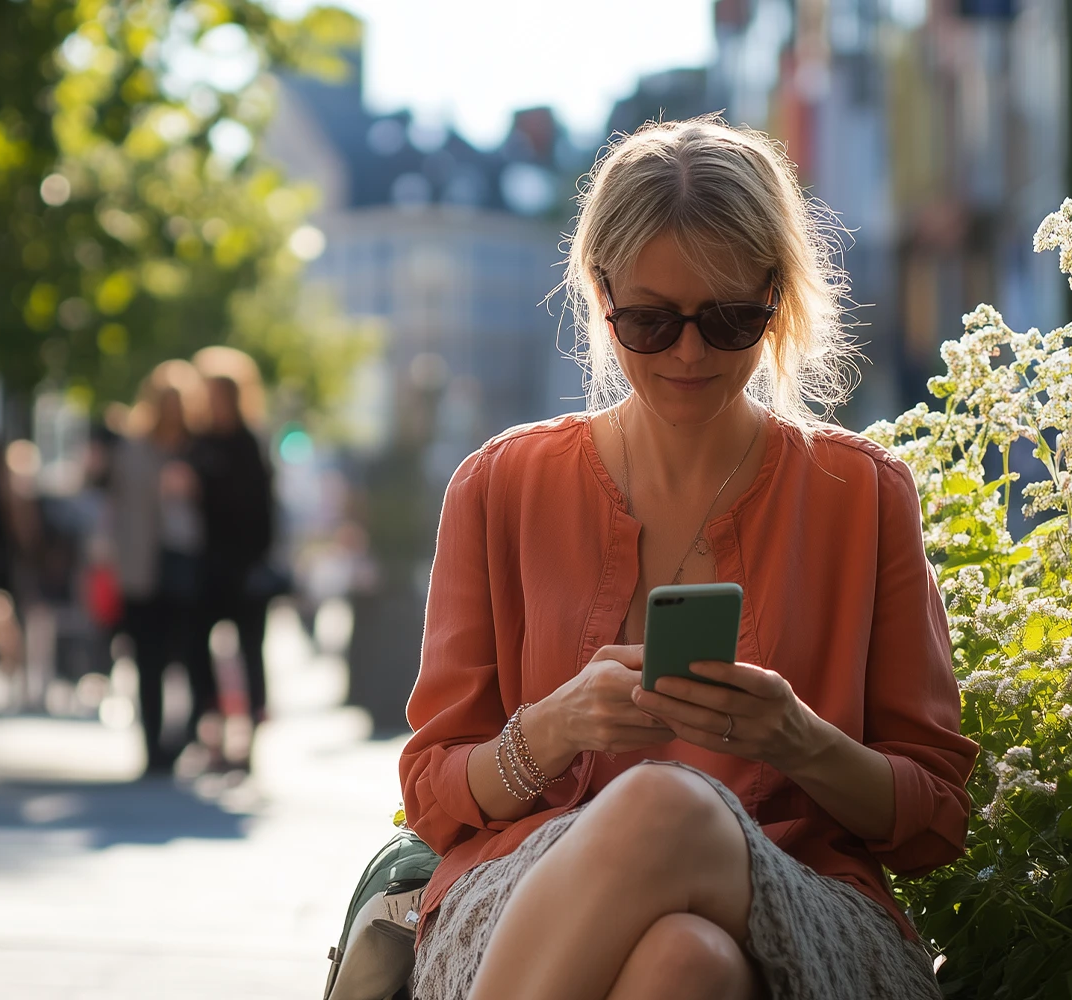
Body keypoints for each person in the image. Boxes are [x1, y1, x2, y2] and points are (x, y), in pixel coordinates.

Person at [400, 116, 979, 1000]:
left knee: (669, 808)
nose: (691, 352)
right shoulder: (499, 486)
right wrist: (554, 728)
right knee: (683, 963)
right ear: (601, 295)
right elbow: (436, 796)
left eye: (731, 317)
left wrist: (803, 742)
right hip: (523, 898)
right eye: (649, 320)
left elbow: (934, 818)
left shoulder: (860, 495)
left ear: (778, 297)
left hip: (802, 896)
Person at [110, 360, 213, 776]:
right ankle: (152, 747)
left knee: (191, 657)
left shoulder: (200, 451)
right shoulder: (133, 450)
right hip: (142, 568)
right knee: (147, 662)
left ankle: (184, 735)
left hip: (189, 565)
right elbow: (118, 510)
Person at [188, 347, 278, 767]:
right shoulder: (196, 444)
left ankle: (249, 741)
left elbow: (265, 510)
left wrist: (259, 560)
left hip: (245, 566)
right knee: (196, 650)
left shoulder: (250, 444)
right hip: (204, 565)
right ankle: (212, 733)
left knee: (250, 652)